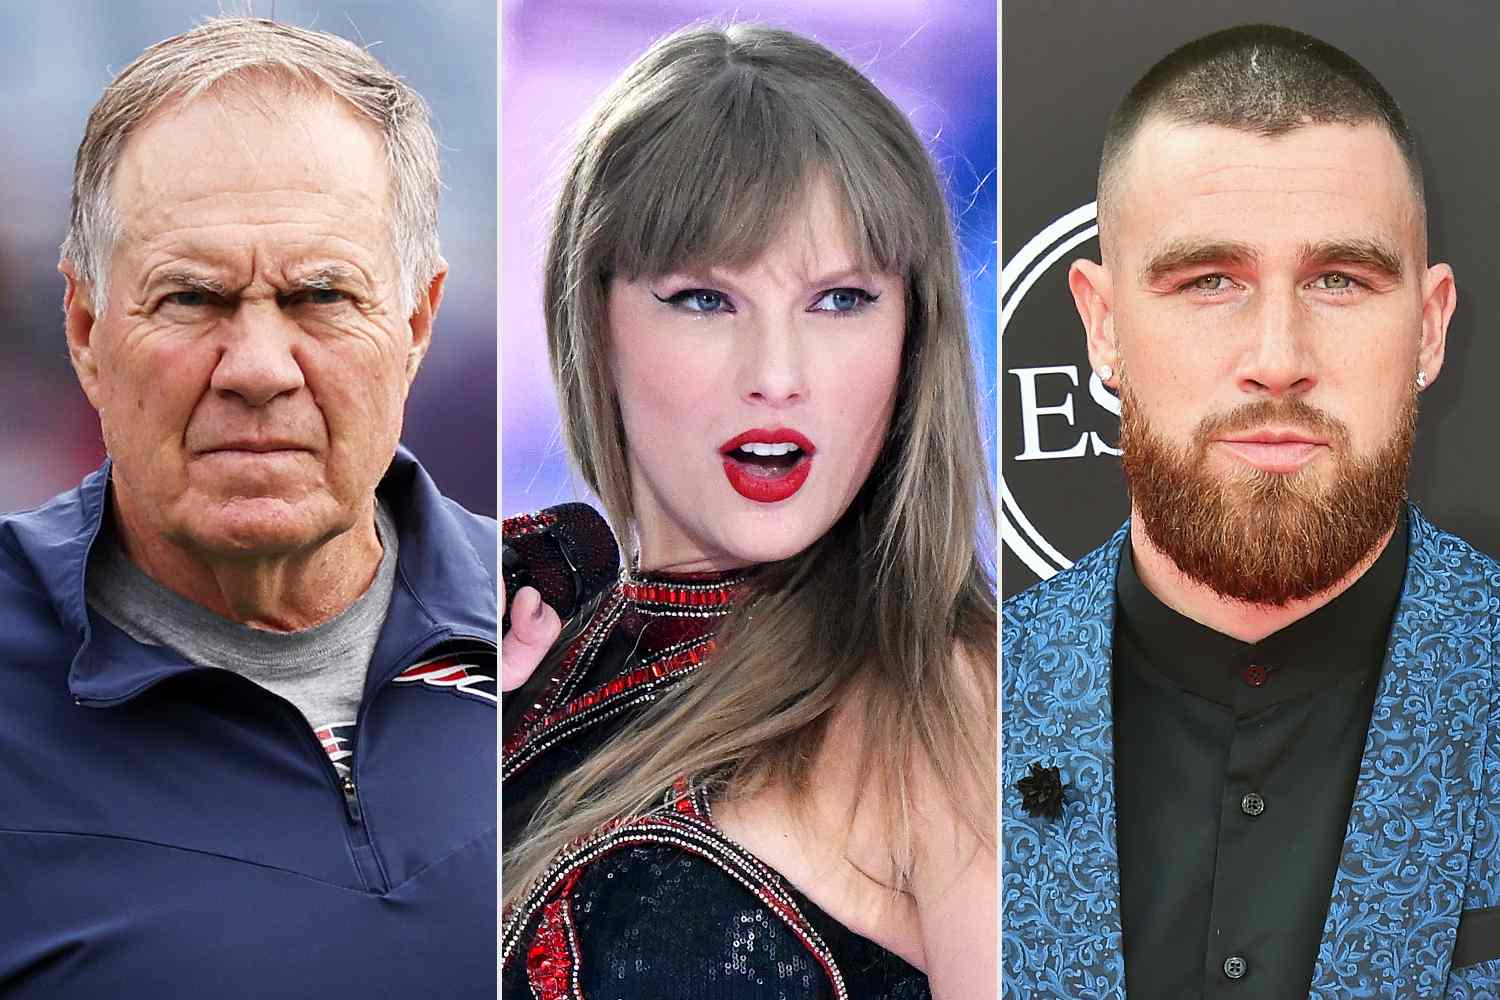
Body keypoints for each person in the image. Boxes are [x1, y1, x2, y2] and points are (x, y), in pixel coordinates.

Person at [1000, 23, 1500, 998]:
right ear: (1102, 325)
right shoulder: (958, 709)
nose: (1278, 355)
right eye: (1211, 280)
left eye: (1340, 279)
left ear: (1431, 329)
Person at [0, 18, 496, 997]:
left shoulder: (581, 649)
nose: (261, 370)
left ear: (417, 322)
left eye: (320, 295)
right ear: (87, 328)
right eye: (191, 298)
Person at [500, 22, 996, 999]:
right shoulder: (518, 654)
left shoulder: (946, 700)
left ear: (914, 330)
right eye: (702, 300)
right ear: (591, 319)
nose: (777, 375)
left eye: (841, 299)